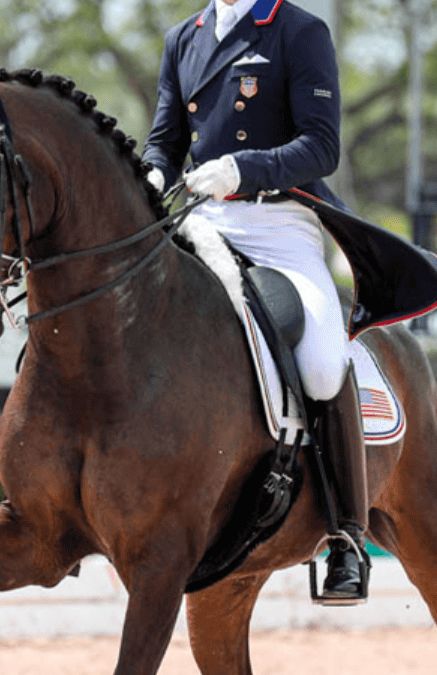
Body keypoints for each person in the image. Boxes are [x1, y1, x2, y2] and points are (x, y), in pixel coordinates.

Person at [142, 0, 369, 602]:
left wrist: (246, 168)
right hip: (201, 219)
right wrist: (153, 174)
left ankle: (347, 536)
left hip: (279, 225)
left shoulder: (299, 30)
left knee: (321, 364)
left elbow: (321, 148)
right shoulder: (182, 38)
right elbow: (165, 139)